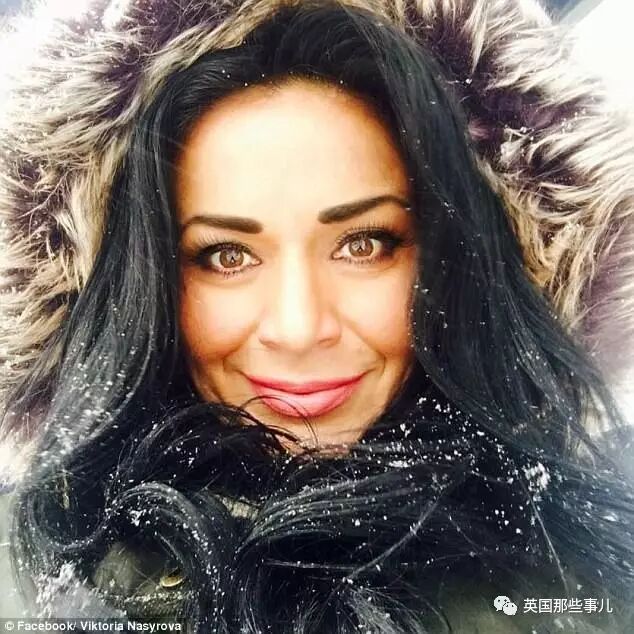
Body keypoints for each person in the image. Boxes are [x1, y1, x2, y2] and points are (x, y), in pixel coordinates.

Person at [0, 0, 633, 631]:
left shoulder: (592, 581)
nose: (300, 329)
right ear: (139, 284)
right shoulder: (23, 586)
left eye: (364, 245)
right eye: (226, 255)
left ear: (462, 258)